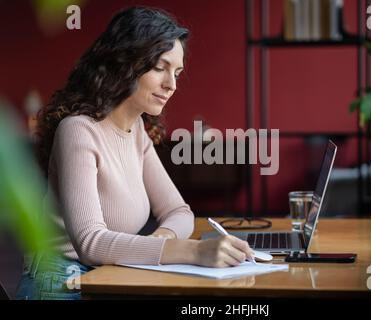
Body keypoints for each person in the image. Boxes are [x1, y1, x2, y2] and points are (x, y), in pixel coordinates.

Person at [15, 6, 253, 300]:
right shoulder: (77, 130)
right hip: (61, 277)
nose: (172, 85)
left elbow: (179, 212)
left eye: (177, 72)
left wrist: (159, 241)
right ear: (124, 62)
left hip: (110, 272)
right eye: (159, 68)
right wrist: (191, 250)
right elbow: (89, 242)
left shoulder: (137, 130)